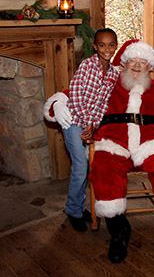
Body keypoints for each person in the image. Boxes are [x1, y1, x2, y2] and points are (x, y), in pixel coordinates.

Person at [44, 40, 154, 263]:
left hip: (151, 142)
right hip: (113, 142)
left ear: (149, 67)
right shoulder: (107, 83)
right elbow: (71, 93)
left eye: (142, 62)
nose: (136, 65)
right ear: (123, 63)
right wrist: (58, 103)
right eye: (132, 61)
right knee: (103, 168)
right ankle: (119, 229)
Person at [44, 28, 119, 232]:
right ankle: (73, 211)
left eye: (111, 45)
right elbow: (76, 96)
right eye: (102, 45)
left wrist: (93, 124)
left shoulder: (113, 73)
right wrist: (86, 122)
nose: (107, 49)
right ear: (95, 47)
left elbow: (104, 103)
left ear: (116, 46)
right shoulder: (87, 66)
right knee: (80, 167)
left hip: (89, 124)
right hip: (73, 122)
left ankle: (77, 205)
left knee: (86, 167)